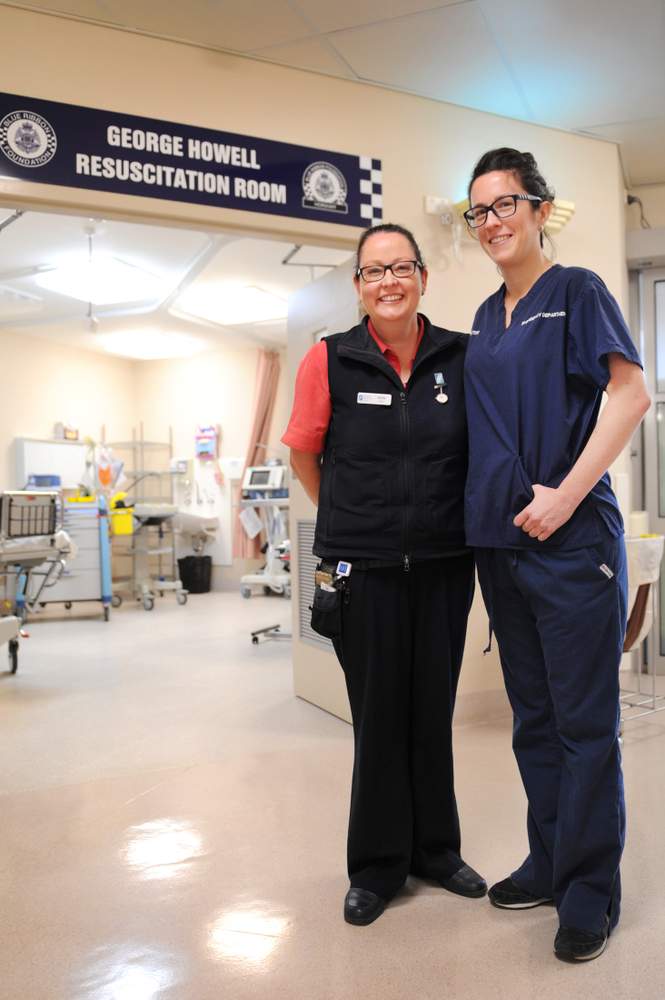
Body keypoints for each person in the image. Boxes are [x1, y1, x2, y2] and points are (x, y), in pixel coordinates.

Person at [463, 148, 650, 962]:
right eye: (478, 211)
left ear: (540, 210)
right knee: (533, 723)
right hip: (503, 549)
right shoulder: (483, 317)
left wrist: (566, 495)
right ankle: (547, 862)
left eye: (505, 204)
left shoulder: (576, 291)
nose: (491, 221)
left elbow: (630, 394)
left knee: (583, 727)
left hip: (571, 544)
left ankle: (587, 893)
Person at [282, 223, 486, 926]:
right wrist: (351, 518)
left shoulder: (461, 356)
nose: (388, 282)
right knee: (377, 719)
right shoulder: (329, 359)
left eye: (401, 268)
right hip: (359, 569)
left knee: (432, 711)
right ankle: (376, 866)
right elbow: (304, 455)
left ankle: (437, 851)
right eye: (374, 272)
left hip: (443, 564)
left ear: (423, 277)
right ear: (358, 286)